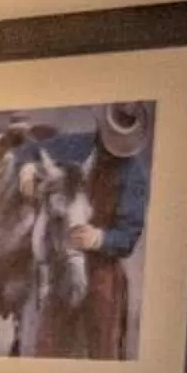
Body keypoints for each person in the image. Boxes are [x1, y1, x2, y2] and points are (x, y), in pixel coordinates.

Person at [68, 102, 151, 358]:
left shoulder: (132, 173)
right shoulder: (78, 146)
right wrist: (27, 169)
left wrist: (99, 238)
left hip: (100, 271)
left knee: (102, 348)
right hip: (60, 265)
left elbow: (128, 236)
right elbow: (35, 150)